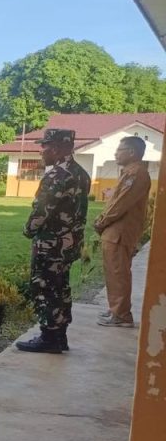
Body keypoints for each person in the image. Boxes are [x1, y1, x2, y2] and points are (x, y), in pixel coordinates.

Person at [16, 129, 89, 354]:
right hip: (69, 243)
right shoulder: (81, 173)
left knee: (45, 287)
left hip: (51, 244)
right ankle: (59, 335)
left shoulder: (57, 175)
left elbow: (41, 210)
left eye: (44, 147)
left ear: (56, 148)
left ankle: (49, 337)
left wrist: (29, 230)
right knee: (60, 287)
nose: (41, 152)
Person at [94, 136, 152, 328]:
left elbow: (120, 204)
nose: (116, 153)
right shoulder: (130, 172)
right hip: (115, 231)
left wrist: (102, 221)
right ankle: (115, 310)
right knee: (113, 271)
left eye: (120, 150)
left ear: (132, 152)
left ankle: (121, 315)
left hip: (120, 231)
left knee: (118, 272)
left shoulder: (136, 173)